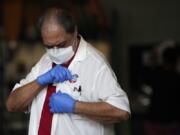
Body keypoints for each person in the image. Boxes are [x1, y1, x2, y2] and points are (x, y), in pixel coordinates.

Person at [6, 7, 130, 135]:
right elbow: (12, 105)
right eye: (48, 46)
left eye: (61, 45)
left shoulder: (95, 64)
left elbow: (121, 111)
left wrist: (75, 106)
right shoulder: (45, 61)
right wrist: (40, 81)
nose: (54, 51)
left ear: (75, 32)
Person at [142, 47, 180, 135]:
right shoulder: (177, 78)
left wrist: (152, 59)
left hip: (155, 121)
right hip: (172, 122)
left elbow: (143, 76)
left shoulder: (156, 75)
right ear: (176, 61)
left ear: (163, 60)